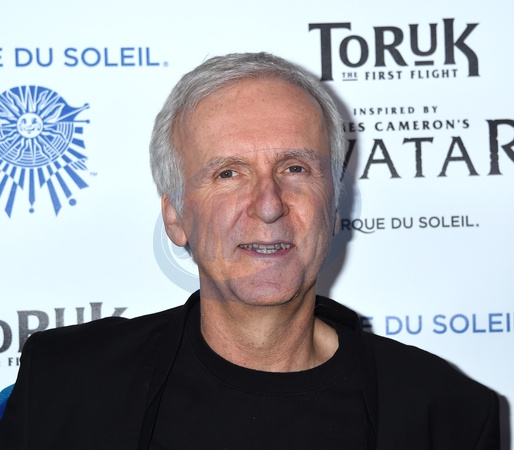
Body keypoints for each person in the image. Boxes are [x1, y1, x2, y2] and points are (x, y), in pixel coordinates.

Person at [0, 52, 500, 449]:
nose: (268, 205)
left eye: (295, 169)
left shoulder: (446, 414)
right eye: (228, 173)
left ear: (333, 204)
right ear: (175, 217)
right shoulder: (66, 384)